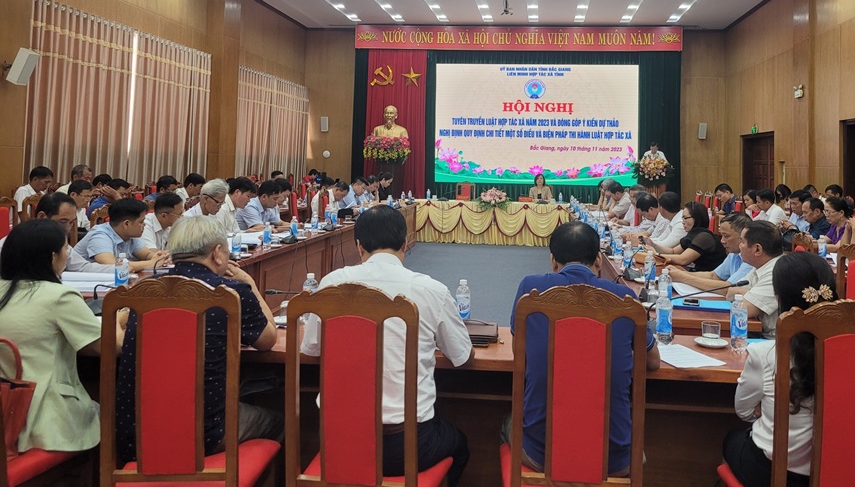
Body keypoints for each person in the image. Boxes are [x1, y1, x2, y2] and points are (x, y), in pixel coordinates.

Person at [301, 206, 473, 486]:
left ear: (358, 246)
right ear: (405, 244)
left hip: (340, 443)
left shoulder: (331, 284)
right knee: (461, 444)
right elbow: (462, 357)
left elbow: (311, 348)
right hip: (405, 448)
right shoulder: (432, 290)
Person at [116, 216, 281, 464]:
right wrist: (250, 283)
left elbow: (124, 326)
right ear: (217, 253)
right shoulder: (231, 293)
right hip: (206, 434)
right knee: (280, 420)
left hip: (135, 434)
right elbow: (268, 339)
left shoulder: (144, 291)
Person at [507, 221, 659, 476]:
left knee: (508, 421)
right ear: (599, 260)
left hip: (541, 455)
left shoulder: (530, 290)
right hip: (614, 461)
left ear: (553, 261)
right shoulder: (626, 300)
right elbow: (652, 361)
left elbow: (519, 353)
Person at [0, 218, 126, 453]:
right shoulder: (60, 296)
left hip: (6, 408)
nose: (68, 255)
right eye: (66, 249)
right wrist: (117, 315)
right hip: (44, 419)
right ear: (52, 257)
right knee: (118, 415)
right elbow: (112, 346)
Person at [722, 253, 839, 487]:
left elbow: (743, 411)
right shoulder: (854, 353)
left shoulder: (766, 354)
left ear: (779, 300)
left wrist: (763, 411)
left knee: (731, 438)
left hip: (774, 472)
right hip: (836, 472)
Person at [73, 198, 169, 272]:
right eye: (141, 222)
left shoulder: (130, 236)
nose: (144, 225)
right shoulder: (100, 235)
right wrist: (151, 263)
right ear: (126, 224)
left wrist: (161, 258)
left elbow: (147, 254)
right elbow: (112, 265)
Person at [669, 212, 754, 291]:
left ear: (743, 236)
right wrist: (680, 273)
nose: (722, 241)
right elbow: (714, 276)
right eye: (722, 235)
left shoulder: (751, 259)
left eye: (726, 236)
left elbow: (730, 288)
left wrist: (683, 277)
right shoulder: (734, 253)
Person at [730, 220, 785, 338]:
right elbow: (731, 292)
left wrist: (745, 295)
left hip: (774, 341)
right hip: (758, 333)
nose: (740, 246)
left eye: (742, 242)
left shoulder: (777, 271)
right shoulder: (761, 265)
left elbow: (745, 309)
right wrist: (749, 294)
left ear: (757, 249)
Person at [646, 201, 725, 272]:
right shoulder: (694, 233)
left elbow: (683, 260)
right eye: (682, 218)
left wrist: (656, 255)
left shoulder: (704, 237)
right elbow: (673, 251)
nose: (682, 222)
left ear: (696, 218)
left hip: (709, 277)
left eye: (685, 218)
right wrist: (653, 245)